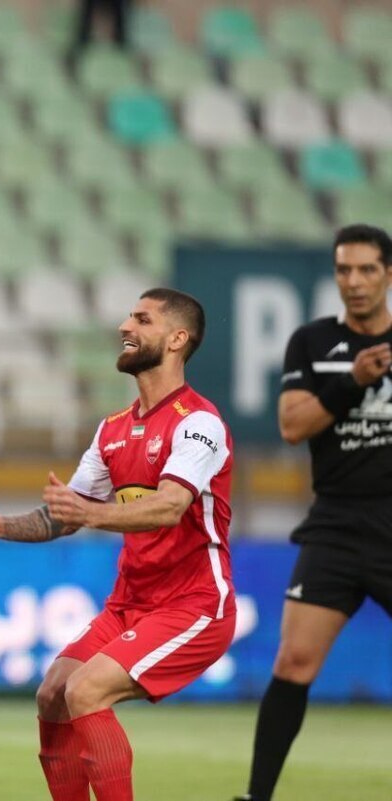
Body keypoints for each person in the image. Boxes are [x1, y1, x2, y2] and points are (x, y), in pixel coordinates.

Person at [0, 288, 235, 801]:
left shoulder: (199, 423)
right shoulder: (113, 430)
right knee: (53, 694)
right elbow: (64, 517)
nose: (125, 326)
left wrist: (90, 514)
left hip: (194, 605)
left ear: (177, 339)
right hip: (129, 604)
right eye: (129, 316)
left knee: (85, 690)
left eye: (142, 319)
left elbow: (169, 506)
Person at [234, 224, 392, 801]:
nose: (355, 281)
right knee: (294, 660)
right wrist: (353, 381)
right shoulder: (313, 342)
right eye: (344, 270)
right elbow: (292, 425)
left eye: (367, 269)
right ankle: (258, 797)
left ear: (388, 274)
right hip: (337, 524)